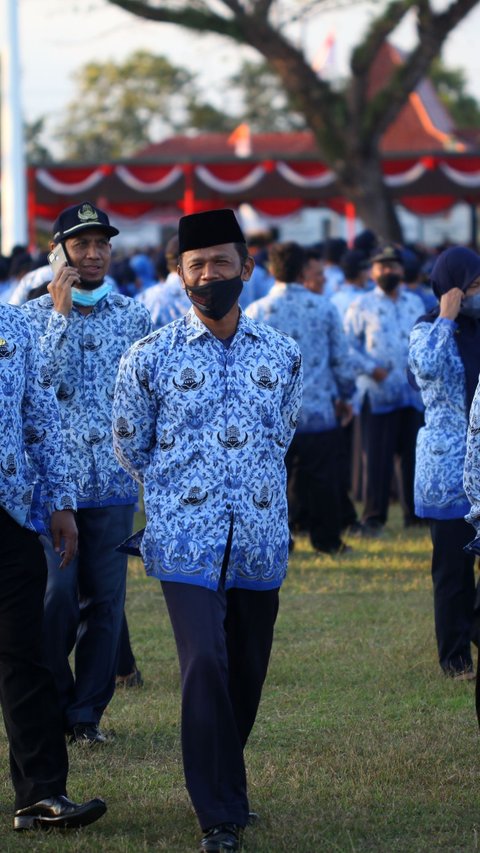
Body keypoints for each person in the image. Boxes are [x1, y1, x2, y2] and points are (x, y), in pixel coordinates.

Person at [112, 208, 303, 853]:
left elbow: (283, 433)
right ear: (178, 274)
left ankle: (226, 775)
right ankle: (218, 813)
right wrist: (182, 494)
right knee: (204, 665)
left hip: (258, 537)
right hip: (183, 540)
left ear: (247, 268)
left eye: (222, 263)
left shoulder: (283, 352)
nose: (209, 275)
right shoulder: (147, 358)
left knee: (246, 668)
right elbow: (131, 445)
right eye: (196, 266)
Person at [22, 202, 152, 745]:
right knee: (55, 599)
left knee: (106, 603)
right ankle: (51, 698)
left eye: (102, 244)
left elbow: (148, 397)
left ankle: (86, 716)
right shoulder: (29, 318)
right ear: (59, 254)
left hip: (116, 485)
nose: (94, 254)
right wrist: (58, 315)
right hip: (54, 489)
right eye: (82, 245)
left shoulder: (135, 315)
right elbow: (38, 385)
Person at [0, 301, 106, 830]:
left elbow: (39, 413)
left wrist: (60, 501)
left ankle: (41, 796)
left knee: (26, 654)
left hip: (10, 515)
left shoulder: (14, 323)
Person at [246, 240, 356, 554]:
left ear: (271, 269)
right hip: (319, 408)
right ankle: (327, 540)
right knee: (323, 479)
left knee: (275, 480)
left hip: (272, 415)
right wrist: (346, 395)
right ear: (303, 269)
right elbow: (341, 359)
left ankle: (281, 539)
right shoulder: (324, 307)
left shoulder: (257, 312)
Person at [409, 246, 480, 680]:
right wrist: (447, 319)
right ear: (451, 288)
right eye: (472, 286)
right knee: (452, 571)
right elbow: (425, 369)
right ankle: (455, 658)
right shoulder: (427, 329)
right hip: (448, 468)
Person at [344, 244, 425, 535]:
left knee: (412, 458)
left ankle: (414, 515)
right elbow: (347, 346)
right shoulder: (361, 305)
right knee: (377, 458)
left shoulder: (414, 303)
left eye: (393, 266)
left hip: (410, 393)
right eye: (382, 266)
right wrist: (370, 368)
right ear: (373, 271)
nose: (388, 271)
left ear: (402, 270)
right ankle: (373, 517)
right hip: (376, 393)